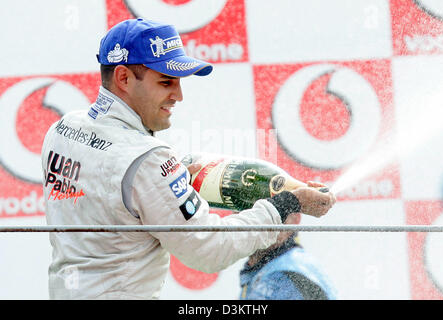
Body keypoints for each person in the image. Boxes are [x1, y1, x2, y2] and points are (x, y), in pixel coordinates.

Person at [41, 18, 336, 300]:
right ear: (123, 78)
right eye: (166, 82)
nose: (178, 95)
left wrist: (172, 179)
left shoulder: (63, 129)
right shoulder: (147, 160)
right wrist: (285, 205)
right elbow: (208, 249)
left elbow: (109, 192)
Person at [239, 209, 337, 300]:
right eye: (243, 208)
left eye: (271, 211)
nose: (254, 220)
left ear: (296, 218)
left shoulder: (291, 275)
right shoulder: (262, 270)